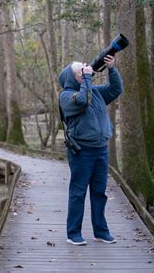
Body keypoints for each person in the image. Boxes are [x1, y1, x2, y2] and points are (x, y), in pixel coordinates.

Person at [58, 55, 123, 246]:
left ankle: (101, 231)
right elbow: (82, 101)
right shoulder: (66, 96)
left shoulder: (94, 91)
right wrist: (87, 78)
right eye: (81, 70)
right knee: (78, 192)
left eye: (85, 68)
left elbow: (116, 89)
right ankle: (73, 233)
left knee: (99, 192)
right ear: (73, 77)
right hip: (82, 151)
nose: (86, 70)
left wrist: (112, 70)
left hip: (101, 149)